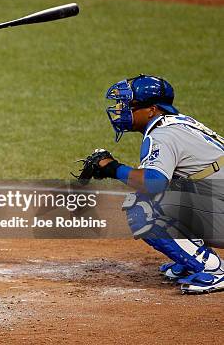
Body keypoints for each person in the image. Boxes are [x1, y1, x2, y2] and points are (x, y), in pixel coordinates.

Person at [81, 74, 224, 293]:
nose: (122, 110)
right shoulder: (179, 124)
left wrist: (112, 167)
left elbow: (153, 184)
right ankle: (190, 259)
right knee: (170, 190)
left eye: (130, 105)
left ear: (152, 109)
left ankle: (214, 270)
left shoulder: (163, 135)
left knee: (143, 206)